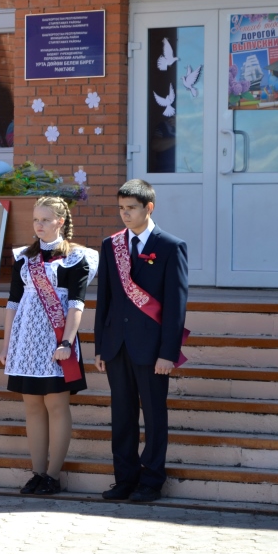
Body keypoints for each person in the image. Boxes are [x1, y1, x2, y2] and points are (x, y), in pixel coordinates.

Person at [95, 179, 189, 504]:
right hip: (117, 346)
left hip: (152, 350)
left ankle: (151, 481)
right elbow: (104, 299)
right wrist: (100, 346)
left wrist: (168, 353)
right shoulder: (111, 245)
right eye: (121, 208)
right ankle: (125, 479)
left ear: (149, 207)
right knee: (122, 416)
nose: (125, 214)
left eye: (131, 208)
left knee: (153, 415)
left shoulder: (171, 246)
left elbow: (176, 305)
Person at [0, 197, 98, 496]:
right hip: (27, 341)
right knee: (32, 407)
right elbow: (13, 304)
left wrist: (66, 341)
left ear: (60, 222)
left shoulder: (75, 258)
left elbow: (76, 304)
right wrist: (7, 345)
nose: (38, 225)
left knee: (56, 405)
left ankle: (53, 475)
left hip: (57, 342)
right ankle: (37, 473)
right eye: (35, 220)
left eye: (45, 219)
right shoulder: (24, 257)